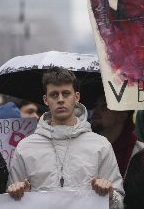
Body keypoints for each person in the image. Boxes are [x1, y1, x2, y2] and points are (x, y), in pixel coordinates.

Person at [7, 67, 124, 208]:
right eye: (54, 95)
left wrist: (110, 194)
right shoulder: (26, 147)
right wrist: (16, 192)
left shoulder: (100, 145)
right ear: (45, 99)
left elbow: (119, 201)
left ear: (77, 97)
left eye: (66, 93)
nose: (61, 100)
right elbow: (11, 201)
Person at [91, 92, 144, 178]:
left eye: (105, 106)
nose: (97, 110)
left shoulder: (140, 153)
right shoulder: (86, 146)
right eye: (96, 105)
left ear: (122, 115)